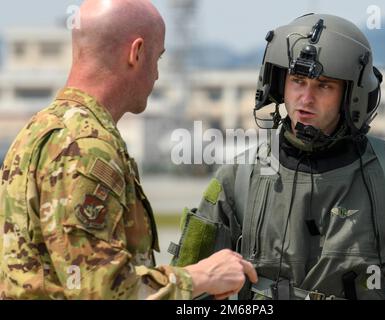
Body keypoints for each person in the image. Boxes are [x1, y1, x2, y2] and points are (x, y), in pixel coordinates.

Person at [170, 13, 385, 299]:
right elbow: (188, 290)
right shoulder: (239, 178)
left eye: (324, 86)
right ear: (280, 84)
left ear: (352, 96)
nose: (305, 98)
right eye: (298, 81)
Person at [0, 0, 257, 300]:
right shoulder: (85, 148)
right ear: (135, 53)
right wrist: (202, 277)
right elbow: (103, 292)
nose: (157, 75)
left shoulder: (40, 128)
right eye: (157, 59)